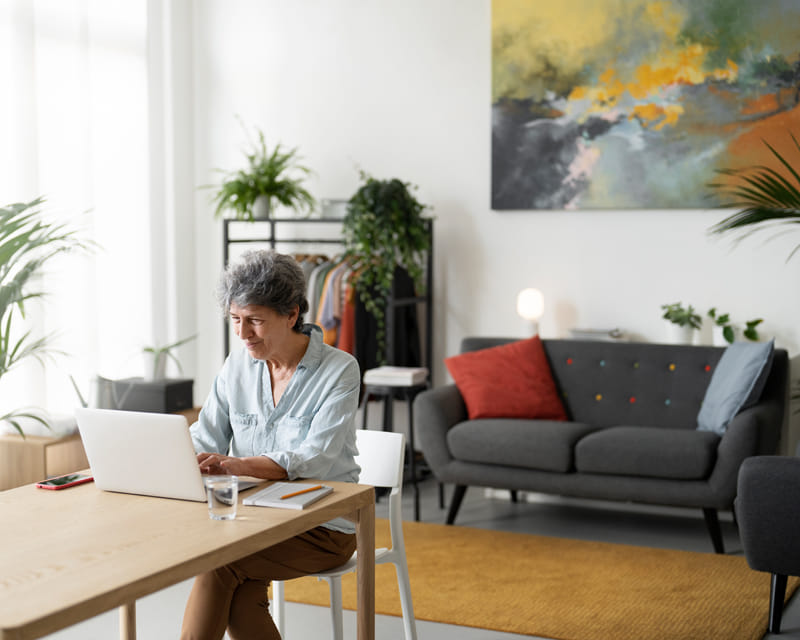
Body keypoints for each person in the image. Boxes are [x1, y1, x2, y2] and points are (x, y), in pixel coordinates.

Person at [180, 249, 361, 640]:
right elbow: (205, 437)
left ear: (292, 314)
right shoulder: (237, 365)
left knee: (219, 564)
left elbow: (314, 458)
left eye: (255, 321)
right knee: (241, 594)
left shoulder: (340, 370)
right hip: (253, 520)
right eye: (235, 320)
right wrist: (172, 457)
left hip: (323, 526)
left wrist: (236, 465)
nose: (243, 333)